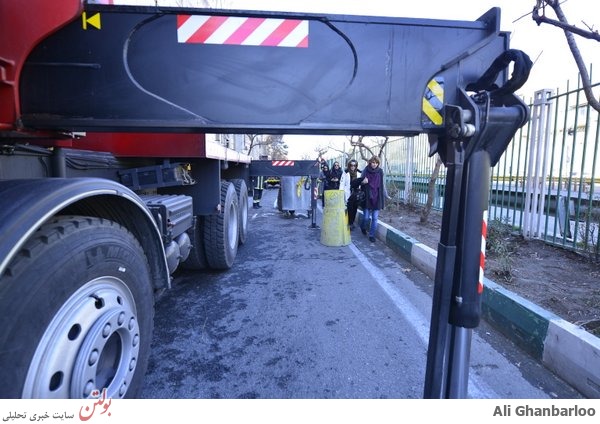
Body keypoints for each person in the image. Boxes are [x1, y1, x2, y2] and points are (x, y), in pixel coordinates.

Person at [357, 155, 388, 242]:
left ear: (378, 164)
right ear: (370, 163)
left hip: (377, 197)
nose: (374, 164)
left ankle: (371, 235)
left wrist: (386, 195)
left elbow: (382, 184)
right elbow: (359, 182)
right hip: (367, 197)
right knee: (366, 217)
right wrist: (363, 182)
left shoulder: (380, 172)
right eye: (373, 162)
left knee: (375, 218)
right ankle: (362, 226)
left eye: (376, 163)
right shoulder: (365, 170)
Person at [340, 159, 362, 230]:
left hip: (356, 193)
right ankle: (349, 223)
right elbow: (342, 183)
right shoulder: (345, 172)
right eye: (351, 165)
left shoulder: (359, 172)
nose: (353, 167)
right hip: (348, 193)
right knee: (349, 209)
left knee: (355, 209)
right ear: (349, 165)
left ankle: (352, 222)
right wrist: (341, 193)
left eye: (354, 165)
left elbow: (361, 182)